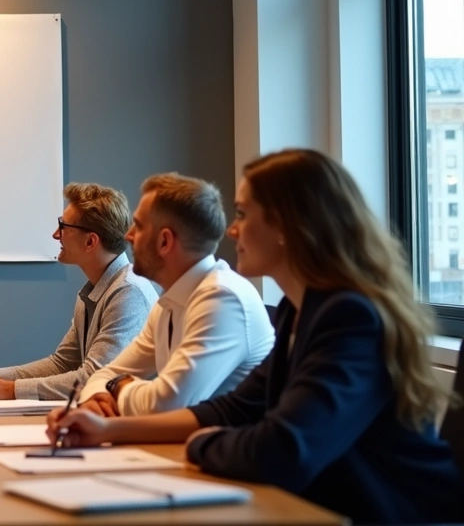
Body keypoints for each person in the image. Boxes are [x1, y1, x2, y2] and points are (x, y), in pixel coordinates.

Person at [46, 149, 463, 523]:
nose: (231, 230)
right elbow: (234, 408)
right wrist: (105, 430)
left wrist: (200, 444)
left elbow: (283, 450)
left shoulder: (351, 318)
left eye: (244, 214)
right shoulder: (298, 312)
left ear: (287, 226)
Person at [77, 173, 273, 416]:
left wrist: (118, 386)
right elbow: (104, 375)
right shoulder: (168, 303)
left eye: (138, 226)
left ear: (165, 241)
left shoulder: (222, 298)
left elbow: (169, 403)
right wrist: (98, 394)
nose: (128, 236)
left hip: (226, 450)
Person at [0, 182, 156, 400]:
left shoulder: (128, 294)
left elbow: (95, 379)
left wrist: (10, 390)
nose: (56, 235)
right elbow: (63, 363)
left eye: (63, 226)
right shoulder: (92, 291)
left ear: (90, 241)